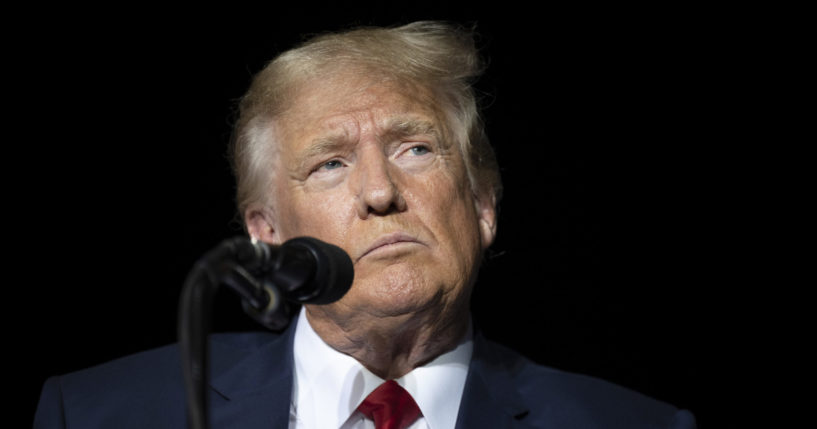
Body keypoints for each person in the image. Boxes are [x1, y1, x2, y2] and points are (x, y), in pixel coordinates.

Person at [34, 21, 696, 428]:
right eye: (328, 163)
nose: (380, 191)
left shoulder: (632, 424)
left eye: (415, 148)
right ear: (266, 234)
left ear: (484, 204)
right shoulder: (98, 413)